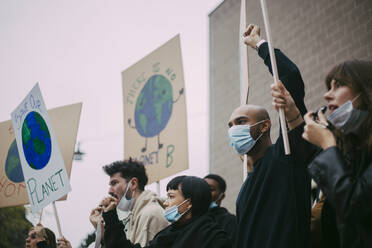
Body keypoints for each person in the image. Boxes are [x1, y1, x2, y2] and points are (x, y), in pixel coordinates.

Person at [228, 24, 317, 248]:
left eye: (240, 122)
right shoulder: (245, 189)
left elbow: (289, 77)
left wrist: (259, 44)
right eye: (230, 125)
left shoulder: (286, 154)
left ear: (265, 126)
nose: (233, 130)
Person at [302, 60, 372, 248]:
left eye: (339, 85)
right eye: (328, 87)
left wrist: (327, 144)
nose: (327, 95)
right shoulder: (354, 147)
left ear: (366, 90)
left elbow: (354, 205)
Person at [101, 176, 232, 248]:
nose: (165, 203)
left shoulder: (214, 239)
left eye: (171, 196)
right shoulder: (166, 235)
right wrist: (110, 216)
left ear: (189, 202)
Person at [89, 159, 168, 247]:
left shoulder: (151, 214)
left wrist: (111, 218)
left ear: (133, 184)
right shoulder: (135, 215)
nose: (109, 191)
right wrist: (103, 233)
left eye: (114, 183)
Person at [204, 174, 237, 245]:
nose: (204, 193)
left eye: (210, 189)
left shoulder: (230, 221)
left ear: (221, 196)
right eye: (202, 188)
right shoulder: (192, 219)